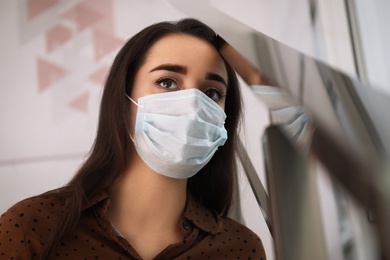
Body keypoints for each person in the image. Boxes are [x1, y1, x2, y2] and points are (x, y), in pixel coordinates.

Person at [0, 18, 266, 259]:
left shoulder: (240, 249)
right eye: (167, 82)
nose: (192, 105)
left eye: (211, 93)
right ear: (124, 100)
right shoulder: (32, 227)